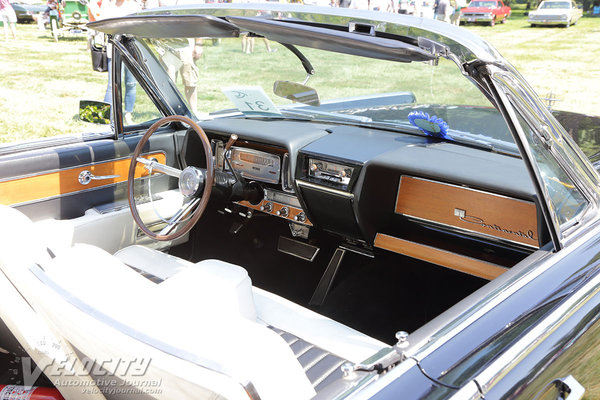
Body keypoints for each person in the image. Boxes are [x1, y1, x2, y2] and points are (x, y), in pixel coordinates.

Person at [98, 0, 141, 125]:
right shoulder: (107, 5)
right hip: (114, 48)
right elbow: (103, 26)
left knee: (131, 83)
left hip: (131, 48)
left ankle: (128, 114)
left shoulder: (134, 5)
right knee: (112, 85)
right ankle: (107, 118)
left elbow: (138, 27)